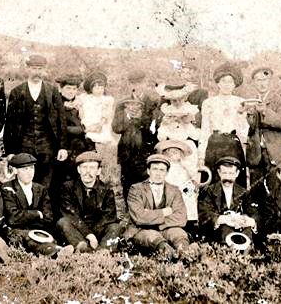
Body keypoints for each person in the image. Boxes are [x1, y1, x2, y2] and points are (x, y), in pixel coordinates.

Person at [3, 54, 68, 187]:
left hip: (47, 146)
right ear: (27, 69)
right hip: (24, 145)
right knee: (24, 181)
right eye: (34, 68)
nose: (37, 72)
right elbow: (10, 123)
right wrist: (10, 151)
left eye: (40, 69)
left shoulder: (52, 91)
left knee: (46, 183)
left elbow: (61, 120)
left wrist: (62, 147)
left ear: (44, 70)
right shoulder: (17, 91)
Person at [125, 154, 192, 257]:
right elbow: (139, 217)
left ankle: (186, 254)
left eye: (162, 170)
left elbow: (181, 217)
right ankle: (168, 255)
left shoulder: (174, 190)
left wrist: (151, 218)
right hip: (142, 230)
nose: (158, 173)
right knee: (152, 238)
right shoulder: (136, 189)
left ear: (167, 172)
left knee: (179, 235)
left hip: (167, 229)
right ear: (148, 171)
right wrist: (163, 212)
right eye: (155, 169)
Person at [2, 153, 67, 257]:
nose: (29, 173)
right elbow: (13, 218)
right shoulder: (7, 189)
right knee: (29, 239)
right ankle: (54, 251)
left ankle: (53, 250)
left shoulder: (41, 189)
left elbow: (48, 217)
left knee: (43, 237)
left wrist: (27, 216)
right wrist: (37, 214)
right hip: (17, 232)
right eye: (24, 169)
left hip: (39, 230)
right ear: (15, 171)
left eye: (31, 168)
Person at [50, 74, 96, 217]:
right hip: (63, 149)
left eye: (74, 89)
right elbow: (57, 127)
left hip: (79, 149)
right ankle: (58, 215)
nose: (71, 92)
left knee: (78, 182)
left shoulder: (79, 105)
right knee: (60, 183)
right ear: (61, 88)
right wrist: (83, 129)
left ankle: (77, 213)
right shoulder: (56, 104)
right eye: (68, 88)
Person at [57, 151, 121, 253]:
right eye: (84, 167)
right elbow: (71, 215)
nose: (87, 172)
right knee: (63, 222)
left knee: (115, 227)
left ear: (98, 171)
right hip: (77, 230)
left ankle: (103, 252)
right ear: (78, 170)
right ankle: (84, 249)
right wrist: (88, 235)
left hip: (98, 229)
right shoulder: (68, 187)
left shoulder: (106, 189)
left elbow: (109, 216)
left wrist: (94, 234)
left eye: (92, 168)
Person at [198, 62, 249, 187]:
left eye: (230, 82)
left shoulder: (241, 102)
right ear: (218, 83)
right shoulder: (209, 103)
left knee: (234, 181)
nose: (227, 85)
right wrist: (201, 155)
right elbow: (205, 130)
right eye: (223, 81)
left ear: (235, 84)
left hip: (233, 144)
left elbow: (244, 130)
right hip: (214, 144)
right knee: (213, 182)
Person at [113, 70, 160, 199]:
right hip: (127, 152)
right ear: (129, 84)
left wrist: (141, 119)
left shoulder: (154, 102)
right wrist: (127, 116)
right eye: (133, 83)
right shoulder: (122, 104)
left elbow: (155, 128)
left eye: (140, 82)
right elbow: (116, 128)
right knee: (127, 183)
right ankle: (131, 213)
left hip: (146, 150)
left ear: (145, 83)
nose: (137, 86)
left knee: (147, 181)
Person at [244, 67, 281, 185]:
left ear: (270, 81)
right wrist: (245, 115)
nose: (262, 84)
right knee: (256, 190)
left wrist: (265, 111)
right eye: (258, 80)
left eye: (265, 80)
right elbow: (247, 129)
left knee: (275, 189)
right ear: (254, 82)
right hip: (255, 154)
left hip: (275, 153)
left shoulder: (280, 100)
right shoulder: (250, 101)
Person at [198, 157, 256, 248]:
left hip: (240, 229)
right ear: (219, 172)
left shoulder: (244, 192)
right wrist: (223, 219)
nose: (228, 177)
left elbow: (253, 212)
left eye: (231, 173)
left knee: (247, 233)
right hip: (218, 233)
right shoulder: (209, 191)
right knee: (225, 229)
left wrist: (248, 220)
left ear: (237, 173)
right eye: (224, 173)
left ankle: (246, 258)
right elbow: (204, 213)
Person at [155, 140, 200, 228]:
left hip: (183, 189)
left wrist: (190, 187)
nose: (172, 154)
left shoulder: (184, 166)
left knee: (189, 196)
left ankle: (190, 222)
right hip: (169, 190)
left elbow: (190, 178)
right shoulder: (165, 167)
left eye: (175, 152)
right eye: (169, 152)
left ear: (181, 154)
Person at [77, 71, 116, 144]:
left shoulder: (106, 100)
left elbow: (106, 114)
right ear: (91, 89)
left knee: (101, 135)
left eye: (102, 88)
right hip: (88, 120)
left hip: (100, 122)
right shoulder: (85, 98)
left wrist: (100, 124)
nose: (100, 91)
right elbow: (78, 104)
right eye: (97, 88)